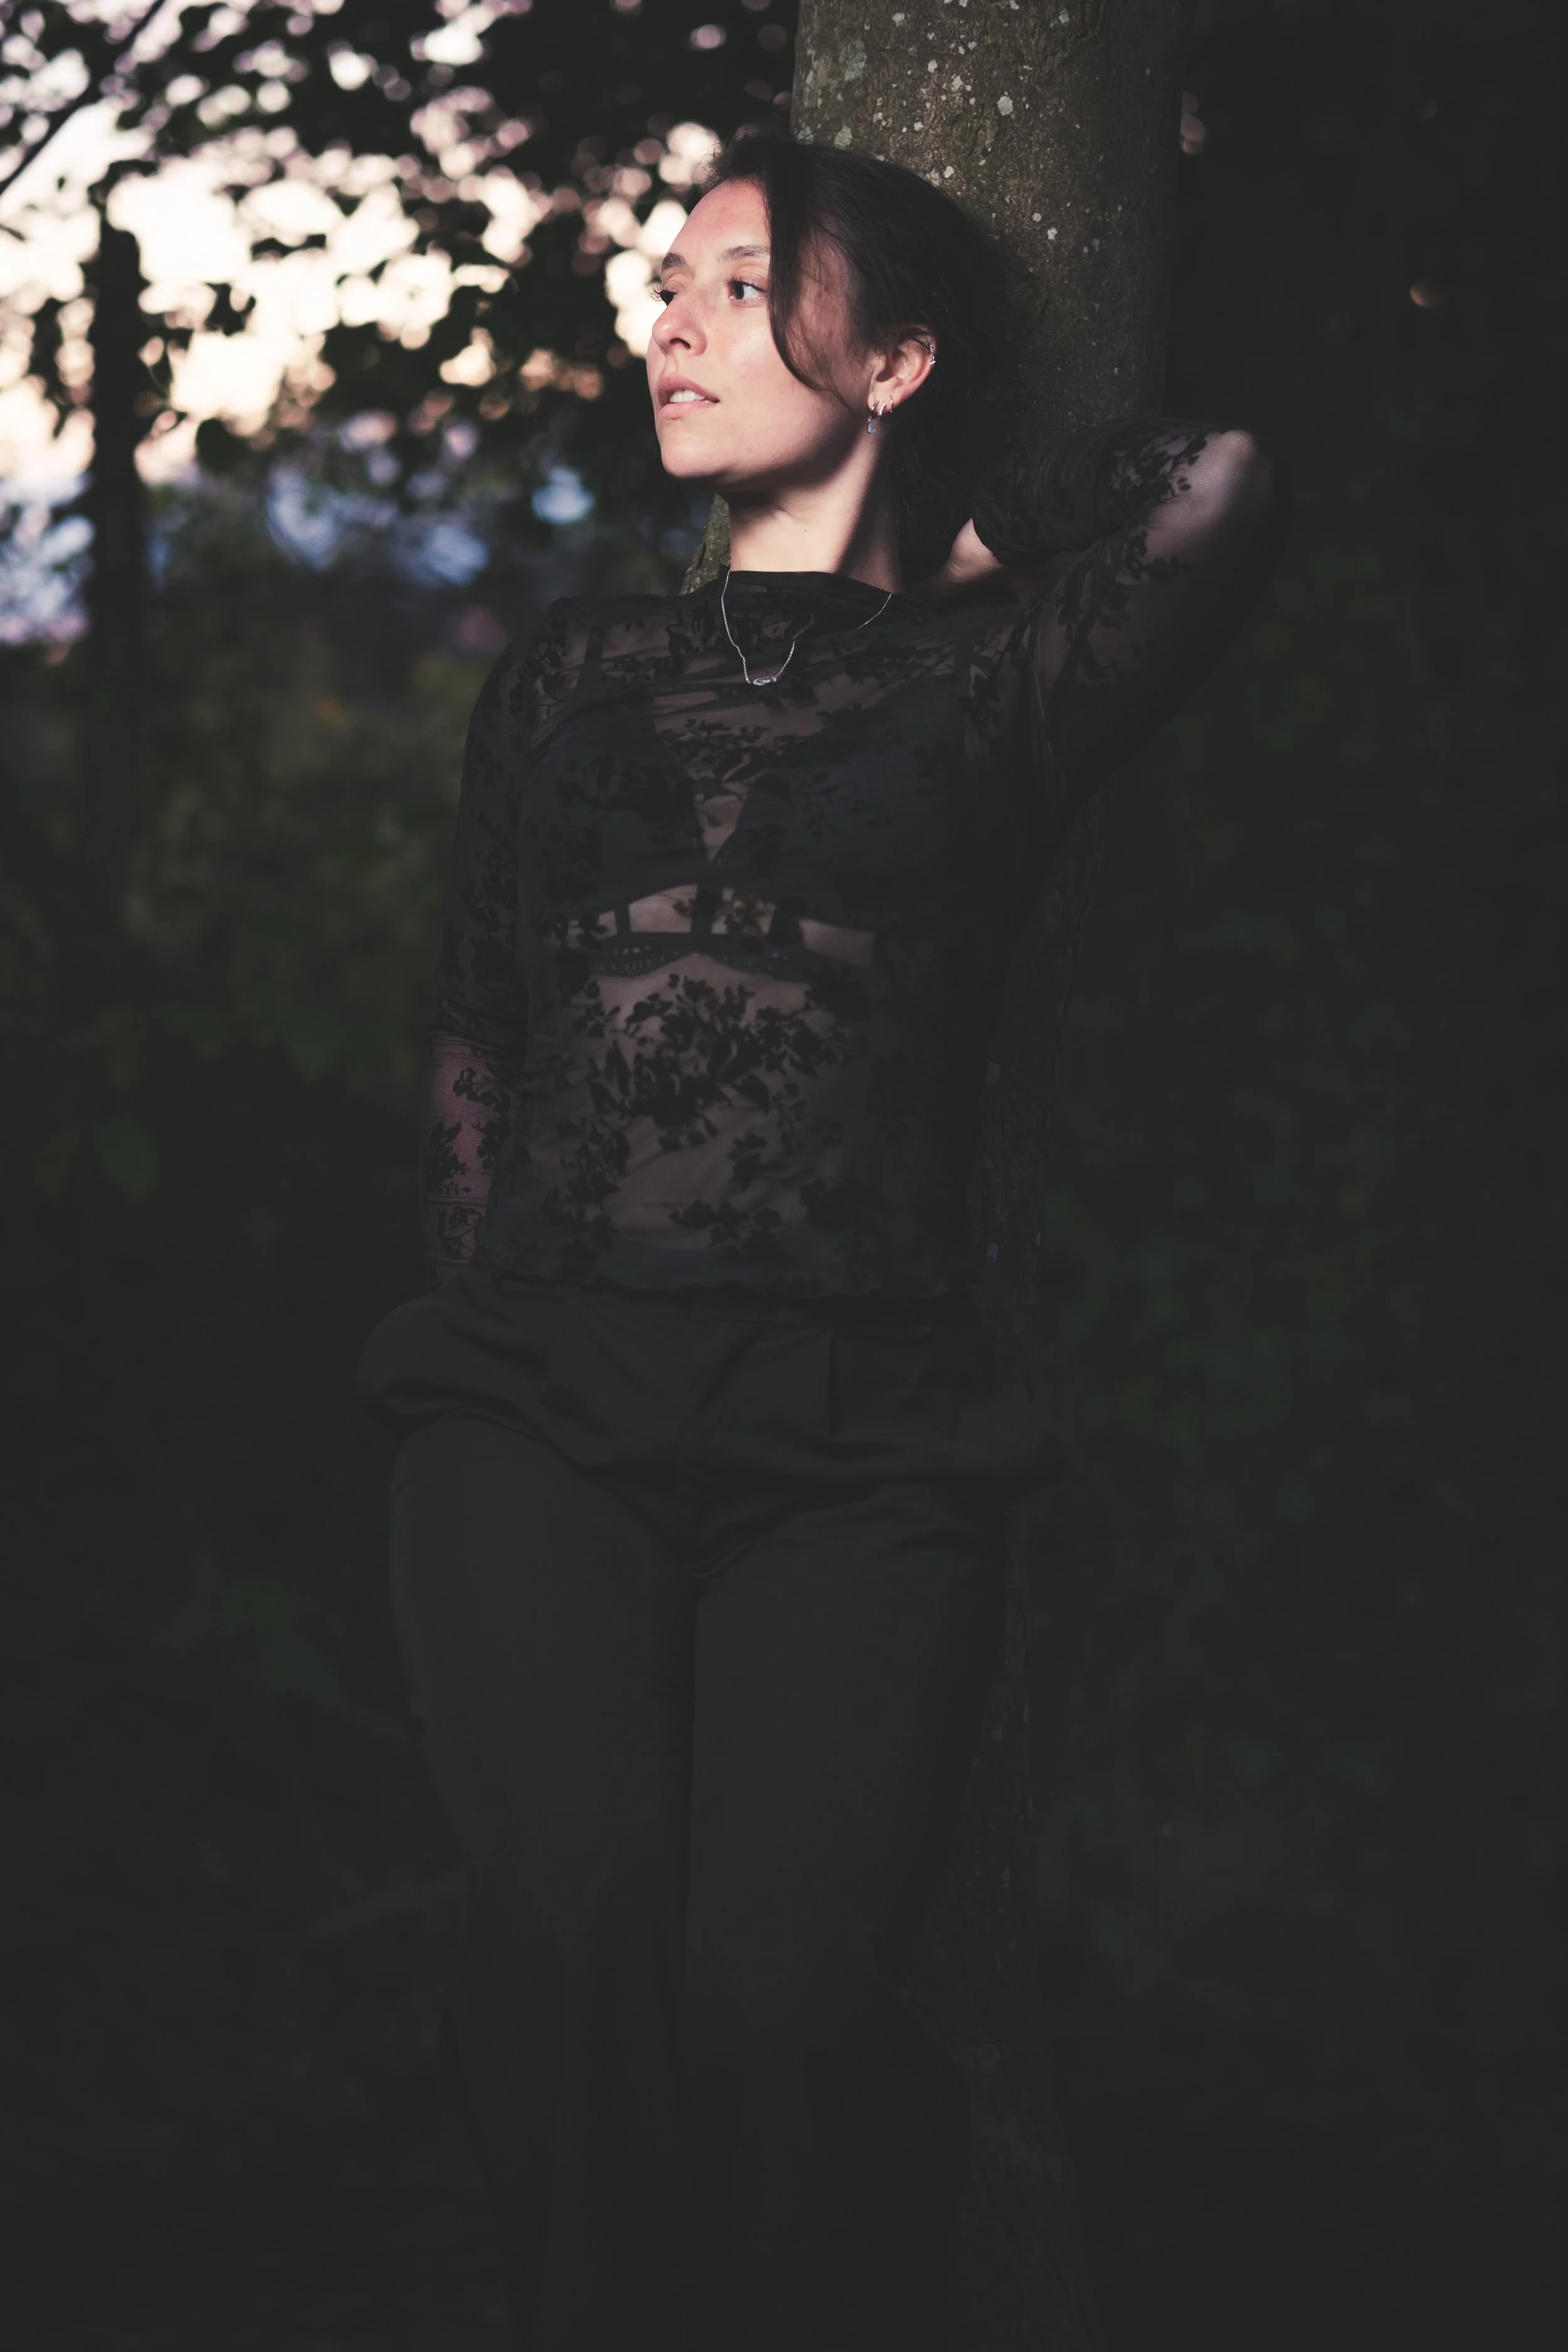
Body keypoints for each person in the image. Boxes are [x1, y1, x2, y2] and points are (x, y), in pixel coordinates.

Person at [357, 122, 1284, 2352]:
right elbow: (480, 1029)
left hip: (859, 1438)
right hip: (541, 1402)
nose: (671, 321)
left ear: (894, 356)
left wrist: (950, 536)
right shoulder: (568, 676)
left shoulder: (993, 687)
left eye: (742, 278)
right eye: (666, 284)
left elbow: (1214, 479)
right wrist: (503, 1302)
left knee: (775, 2014)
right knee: (569, 1943)